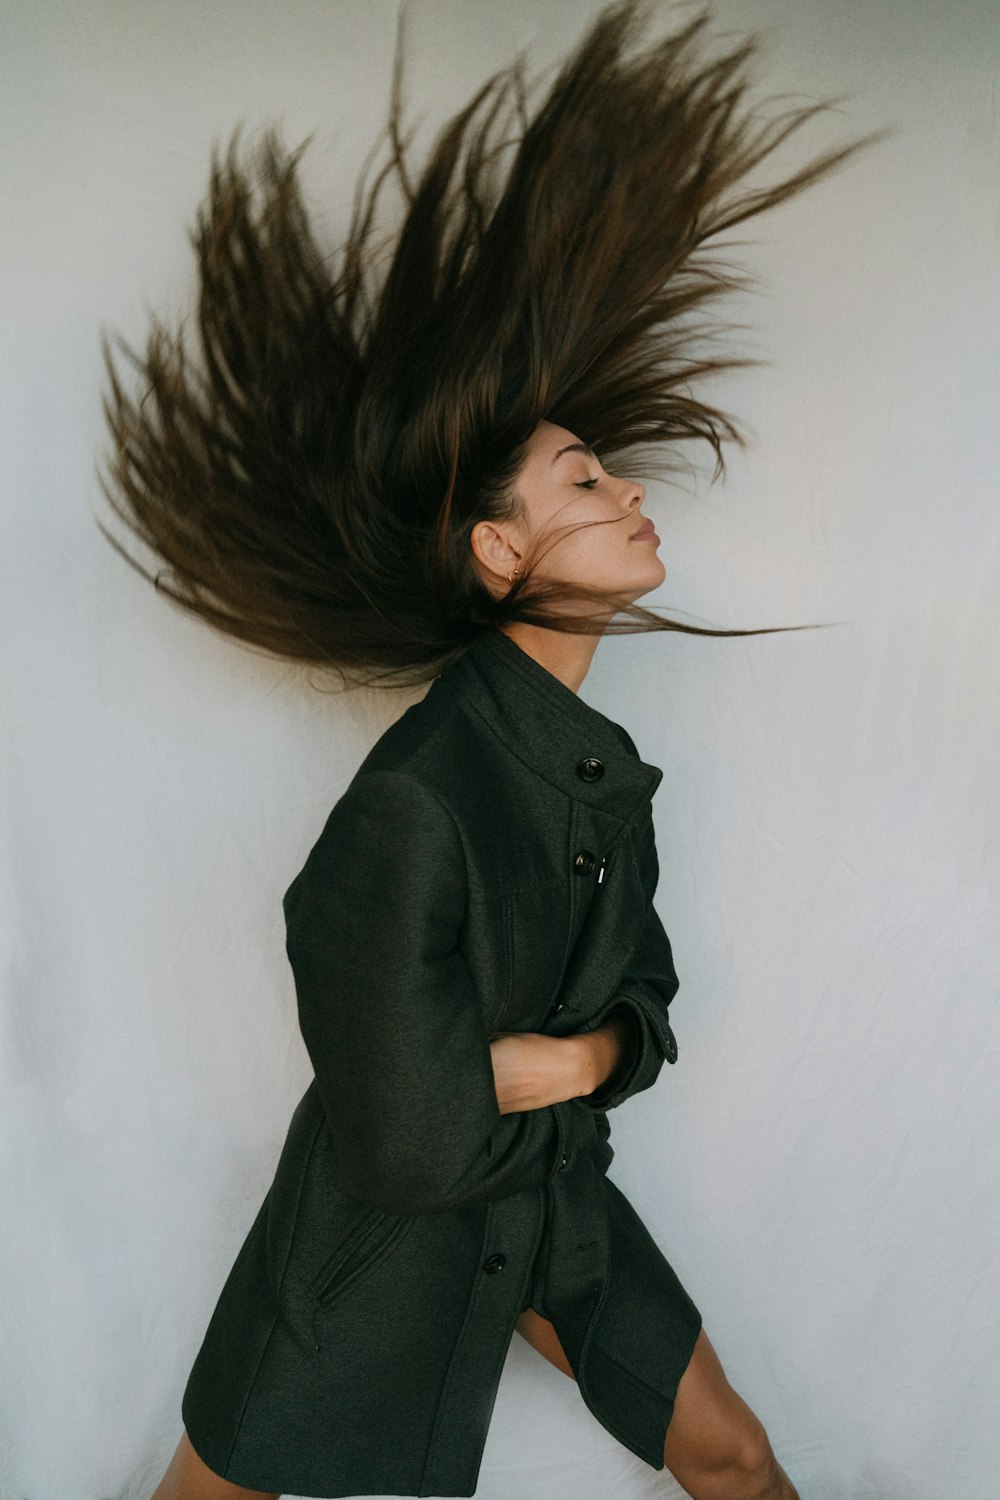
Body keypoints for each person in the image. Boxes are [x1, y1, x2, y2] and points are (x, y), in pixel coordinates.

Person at [95, 3, 883, 1495]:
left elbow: (641, 1001)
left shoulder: (599, 768)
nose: (632, 491)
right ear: (499, 550)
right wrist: (496, 1074)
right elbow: (397, 1128)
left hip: (555, 1208)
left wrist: (567, 1057)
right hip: (368, 1253)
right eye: (586, 478)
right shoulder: (414, 800)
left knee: (734, 1455)